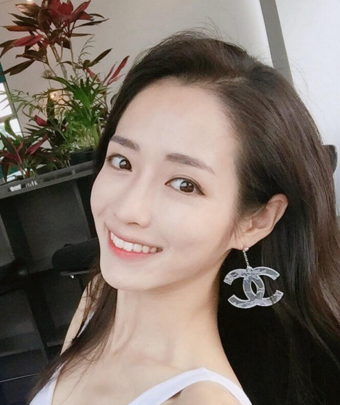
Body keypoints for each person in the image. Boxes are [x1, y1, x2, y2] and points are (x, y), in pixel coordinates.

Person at [26, 30, 340, 405]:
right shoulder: (96, 302)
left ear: (256, 221)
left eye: (184, 184)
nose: (128, 209)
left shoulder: (201, 399)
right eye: (122, 161)